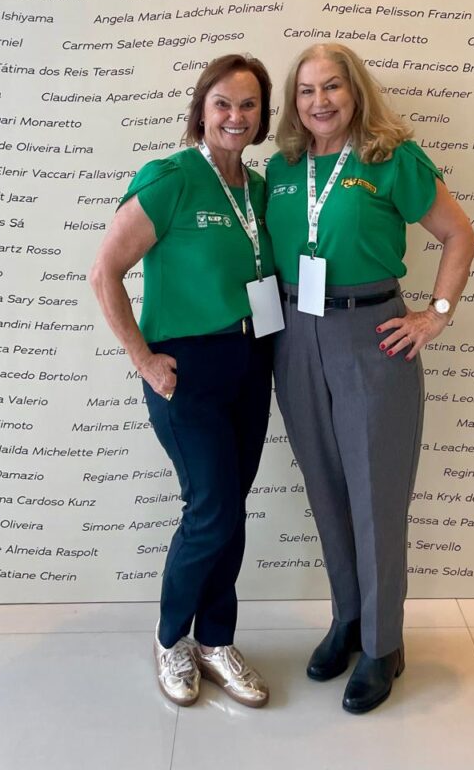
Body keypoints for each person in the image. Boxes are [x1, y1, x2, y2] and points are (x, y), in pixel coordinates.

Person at [266, 42, 474, 714]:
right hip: (297, 337)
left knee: (376, 498)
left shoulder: (392, 159)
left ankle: (385, 644)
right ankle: (348, 621)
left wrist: (435, 314)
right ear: (294, 102)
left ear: (355, 91)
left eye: (332, 87)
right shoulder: (281, 168)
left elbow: (458, 233)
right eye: (306, 91)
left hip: (372, 333)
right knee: (327, 490)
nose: (319, 101)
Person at [90, 54, 278, 709]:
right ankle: (172, 638)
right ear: (201, 108)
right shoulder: (169, 178)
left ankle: (216, 639)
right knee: (212, 510)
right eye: (223, 102)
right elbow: (104, 272)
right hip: (185, 372)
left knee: (232, 509)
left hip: (251, 366)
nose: (235, 115)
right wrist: (144, 359)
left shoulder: (258, 189)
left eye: (249, 105)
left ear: (262, 117)